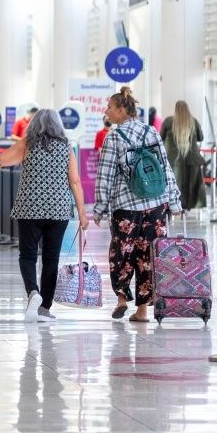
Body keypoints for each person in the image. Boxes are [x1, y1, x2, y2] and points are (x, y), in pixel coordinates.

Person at [0, 109, 89, 322]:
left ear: (34, 124)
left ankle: (33, 292)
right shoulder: (66, 148)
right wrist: (83, 214)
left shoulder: (27, 144)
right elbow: (75, 182)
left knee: (28, 255)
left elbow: (0, 161)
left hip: (30, 207)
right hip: (58, 209)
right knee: (51, 259)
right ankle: (44, 309)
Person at [93, 86, 182, 323]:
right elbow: (165, 168)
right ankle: (142, 311)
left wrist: (100, 207)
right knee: (148, 255)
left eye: (110, 107)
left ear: (122, 109)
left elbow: (105, 175)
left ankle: (122, 298)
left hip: (126, 206)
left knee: (122, 253)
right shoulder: (151, 132)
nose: (107, 111)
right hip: (156, 204)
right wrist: (174, 202)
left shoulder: (114, 136)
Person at [160, 100, 206, 211]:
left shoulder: (168, 121)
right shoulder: (193, 121)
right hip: (192, 159)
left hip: (173, 160)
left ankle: (174, 206)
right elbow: (201, 138)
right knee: (190, 185)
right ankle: (188, 207)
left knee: (173, 184)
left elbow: (160, 137)